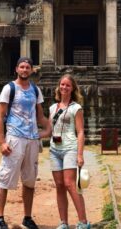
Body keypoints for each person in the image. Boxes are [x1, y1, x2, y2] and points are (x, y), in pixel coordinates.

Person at [0, 57, 48, 229]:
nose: (25, 70)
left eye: (28, 67)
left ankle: (27, 217)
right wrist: (2, 142)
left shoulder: (35, 90)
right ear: (17, 69)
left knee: (30, 180)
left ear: (32, 70)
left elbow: (40, 116)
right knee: (5, 177)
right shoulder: (8, 88)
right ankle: (0, 217)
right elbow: (0, 115)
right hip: (14, 138)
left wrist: (49, 128)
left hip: (32, 140)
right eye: (22, 67)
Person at [45, 74, 91, 229]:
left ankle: (83, 222)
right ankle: (63, 222)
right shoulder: (52, 108)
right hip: (54, 149)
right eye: (62, 85)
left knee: (70, 184)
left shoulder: (76, 108)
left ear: (72, 89)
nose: (64, 88)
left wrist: (80, 154)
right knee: (59, 185)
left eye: (68, 85)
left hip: (70, 148)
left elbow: (80, 132)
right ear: (59, 87)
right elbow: (48, 130)